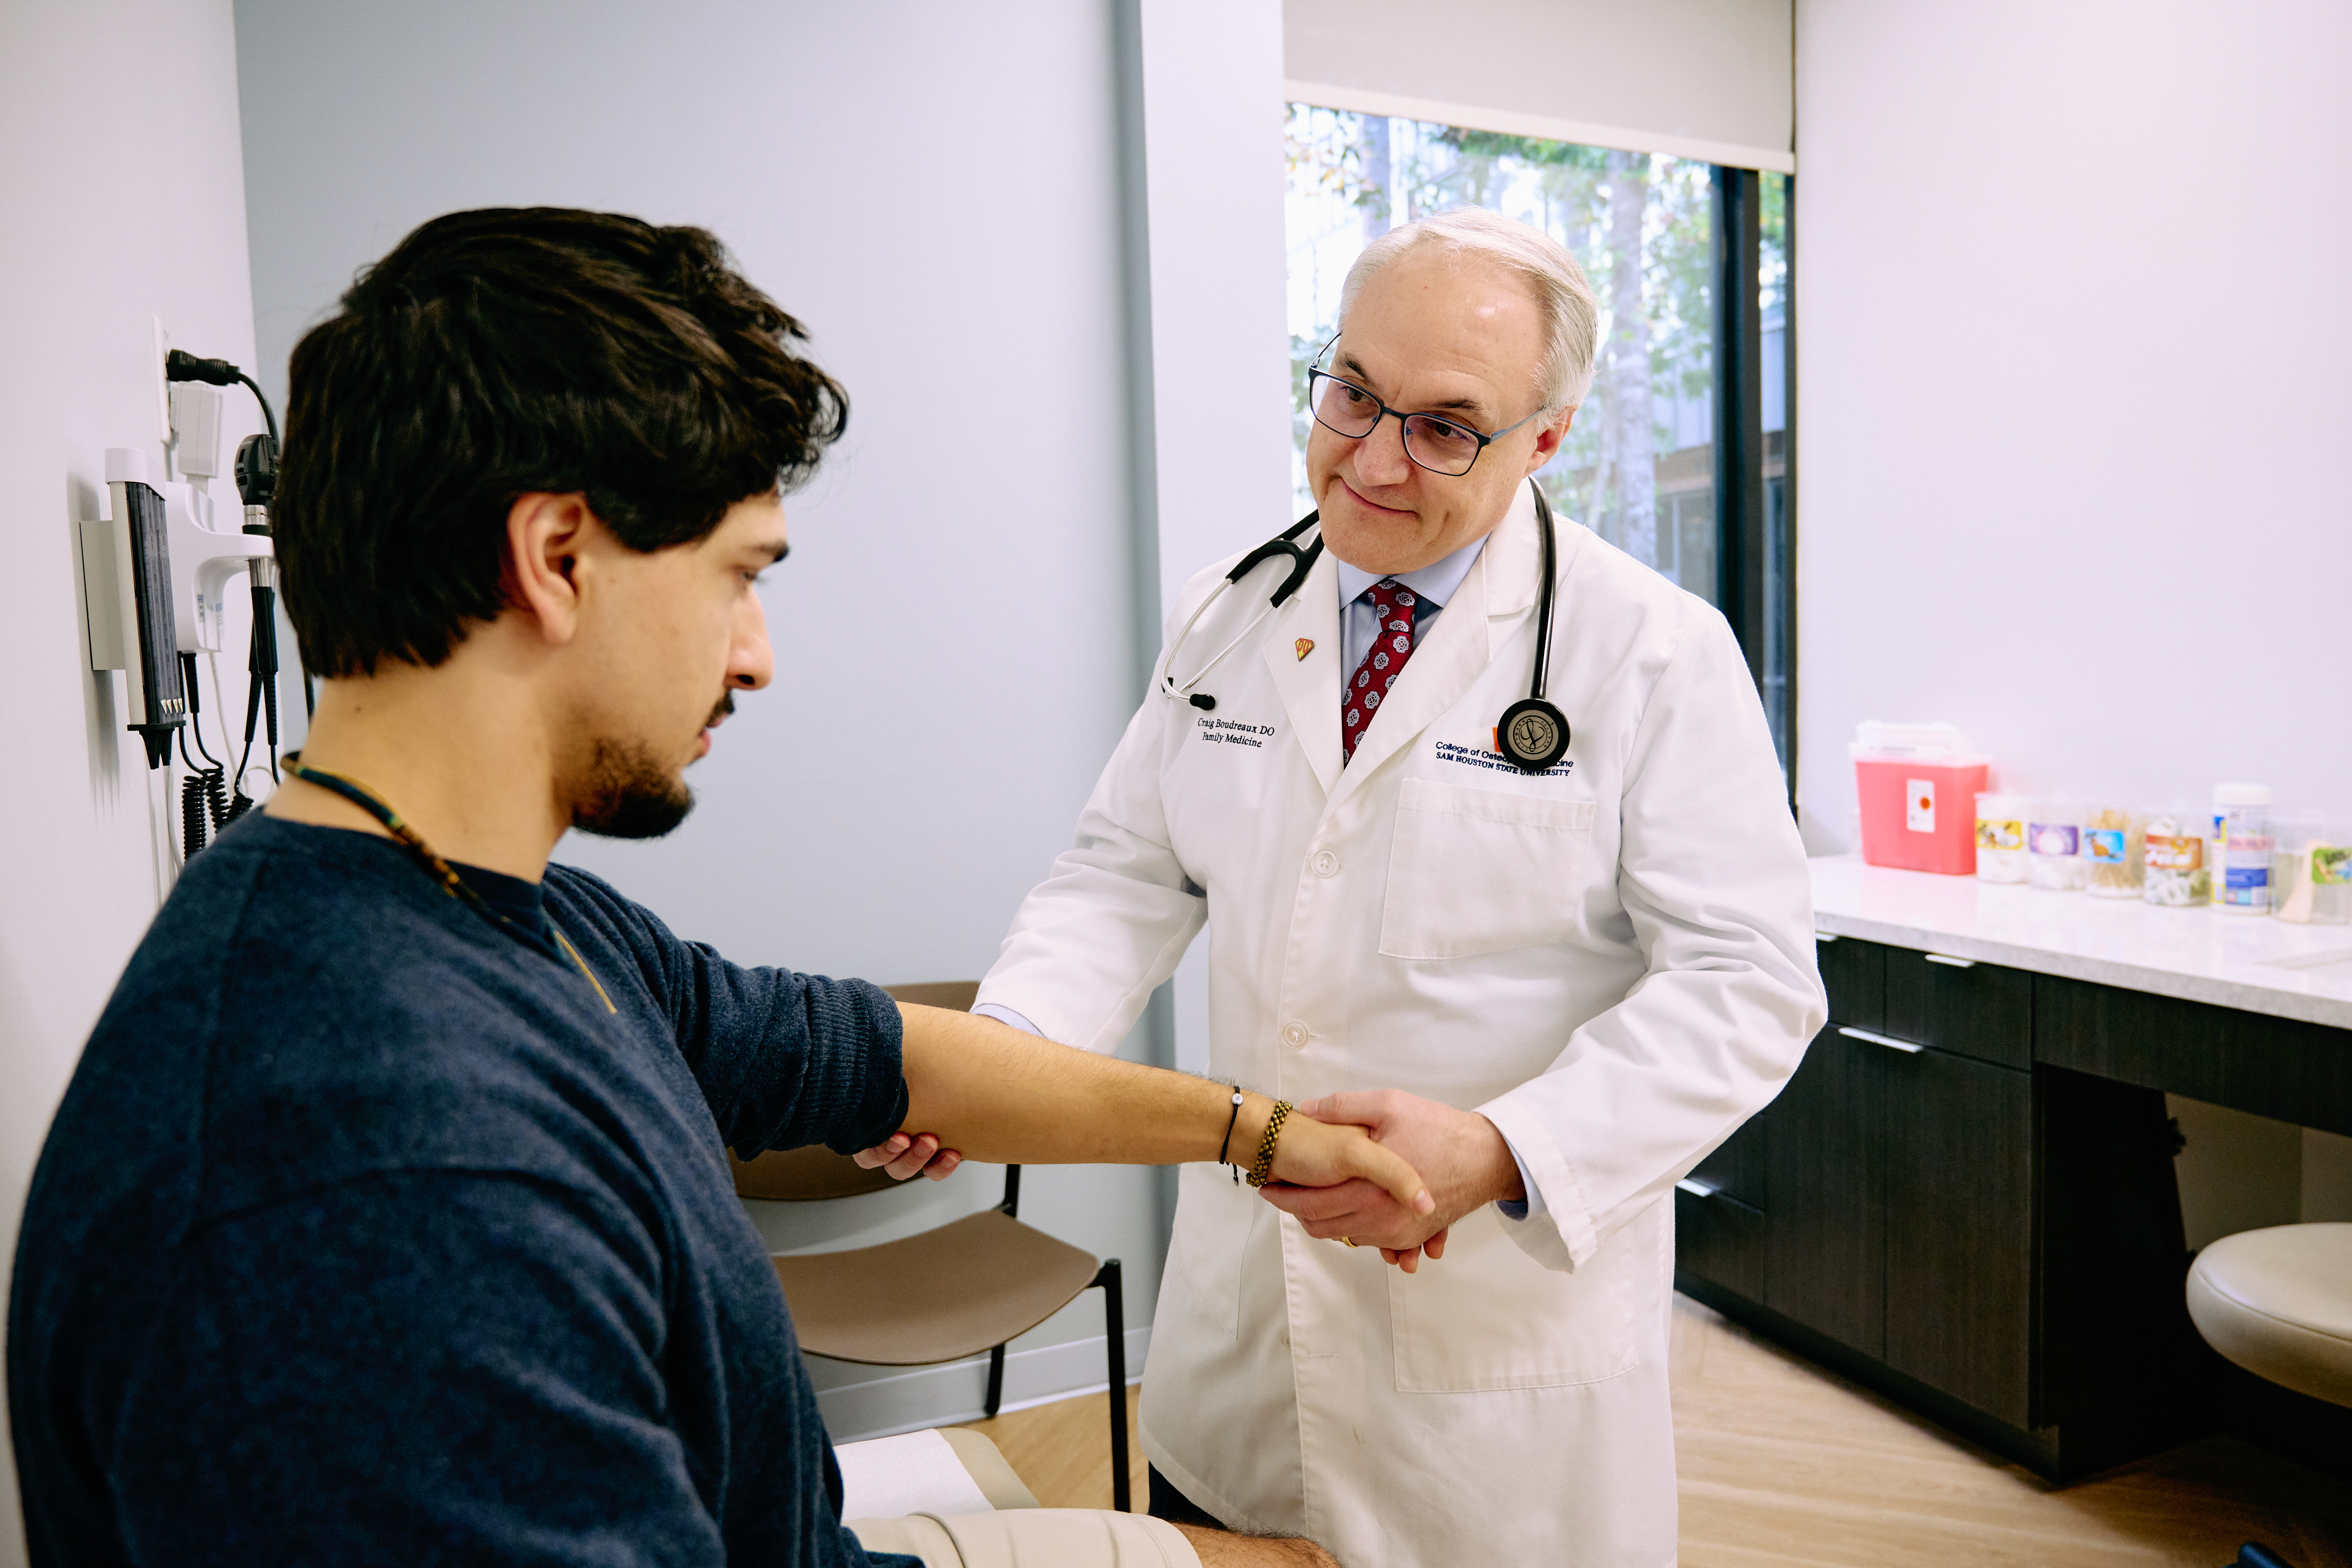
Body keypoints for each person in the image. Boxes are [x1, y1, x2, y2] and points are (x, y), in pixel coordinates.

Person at [4, 209, 1436, 1568]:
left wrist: (1262, 1137)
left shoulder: (496, 909)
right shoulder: (378, 1178)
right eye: (739, 577)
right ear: (556, 558)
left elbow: (870, 1054)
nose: (755, 656)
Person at [929, 208, 1828, 1566]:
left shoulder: (1648, 652)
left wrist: (1504, 1149)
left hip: (1490, 1336)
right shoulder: (1232, 606)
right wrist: (1007, 1055)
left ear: (1545, 438)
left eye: (1444, 424)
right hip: (1242, 1313)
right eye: (1352, 392)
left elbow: (1748, 981)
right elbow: (1127, 869)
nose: (1372, 457)